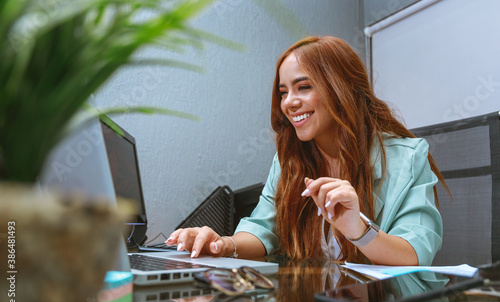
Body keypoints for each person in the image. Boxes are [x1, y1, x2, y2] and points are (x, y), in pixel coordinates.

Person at [166, 36, 446, 266]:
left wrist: (357, 229)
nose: (289, 102)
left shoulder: (408, 158)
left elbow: (414, 254)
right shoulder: (289, 160)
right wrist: (222, 245)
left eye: (303, 87)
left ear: (342, 88)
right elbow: (263, 230)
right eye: (283, 91)